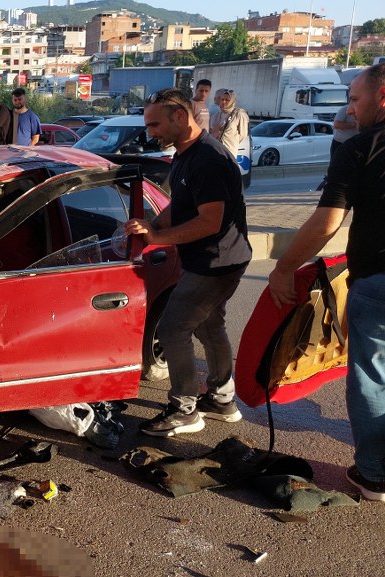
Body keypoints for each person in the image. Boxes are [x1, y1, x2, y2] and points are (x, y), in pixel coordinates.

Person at [267, 64, 385, 500]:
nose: (350, 110)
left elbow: (325, 223)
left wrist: (283, 269)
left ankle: (374, 475)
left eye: (355, 100)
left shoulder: (360, 148)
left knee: (373, 376)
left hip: (378, 281)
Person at [125, 88, 251, 437]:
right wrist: (152, 225)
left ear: (180, 116)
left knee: (172, 329)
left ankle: (184, 410)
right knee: (209, 327)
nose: (150, 132)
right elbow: (180, 205)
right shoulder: (185, 153)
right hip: (214, 258)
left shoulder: (209, 159)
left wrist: (158, 238)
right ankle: (222, 400)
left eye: (154, 125)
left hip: (216, 263)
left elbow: (210, 222)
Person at [210, 88, 249, 159]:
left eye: (227, 100)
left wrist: (230, 140)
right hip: (215, 151)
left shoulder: (238, 114)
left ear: (232, 101)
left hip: (229, 152)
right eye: (222, 99)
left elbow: (243, 135)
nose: (224, 102)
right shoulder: (215, 116)